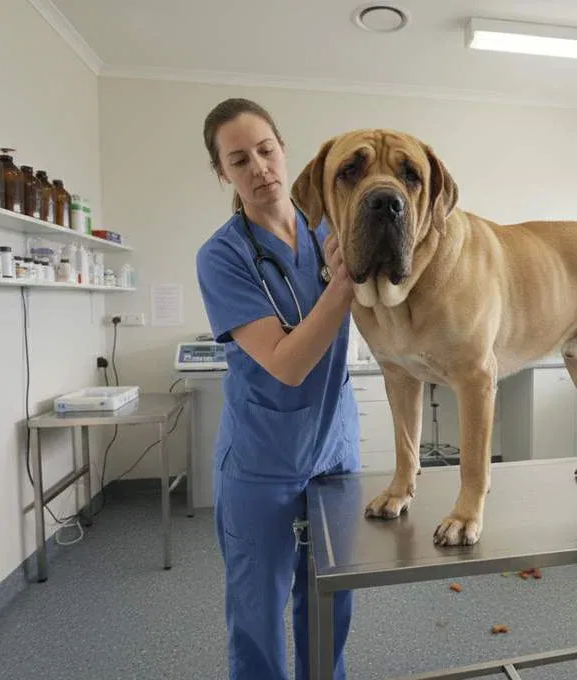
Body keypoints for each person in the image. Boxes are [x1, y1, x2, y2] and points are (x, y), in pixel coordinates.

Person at [195, 98, 360, 680]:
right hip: (262, 463)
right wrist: (344, 283)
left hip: (334, 453)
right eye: (239, 160)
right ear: (224, 174)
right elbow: (286, 365)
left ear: (284, 149)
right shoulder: (223, 257)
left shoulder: (330, 228)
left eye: (266, 151)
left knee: (332, 602)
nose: (259, 168)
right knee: (258, 618)